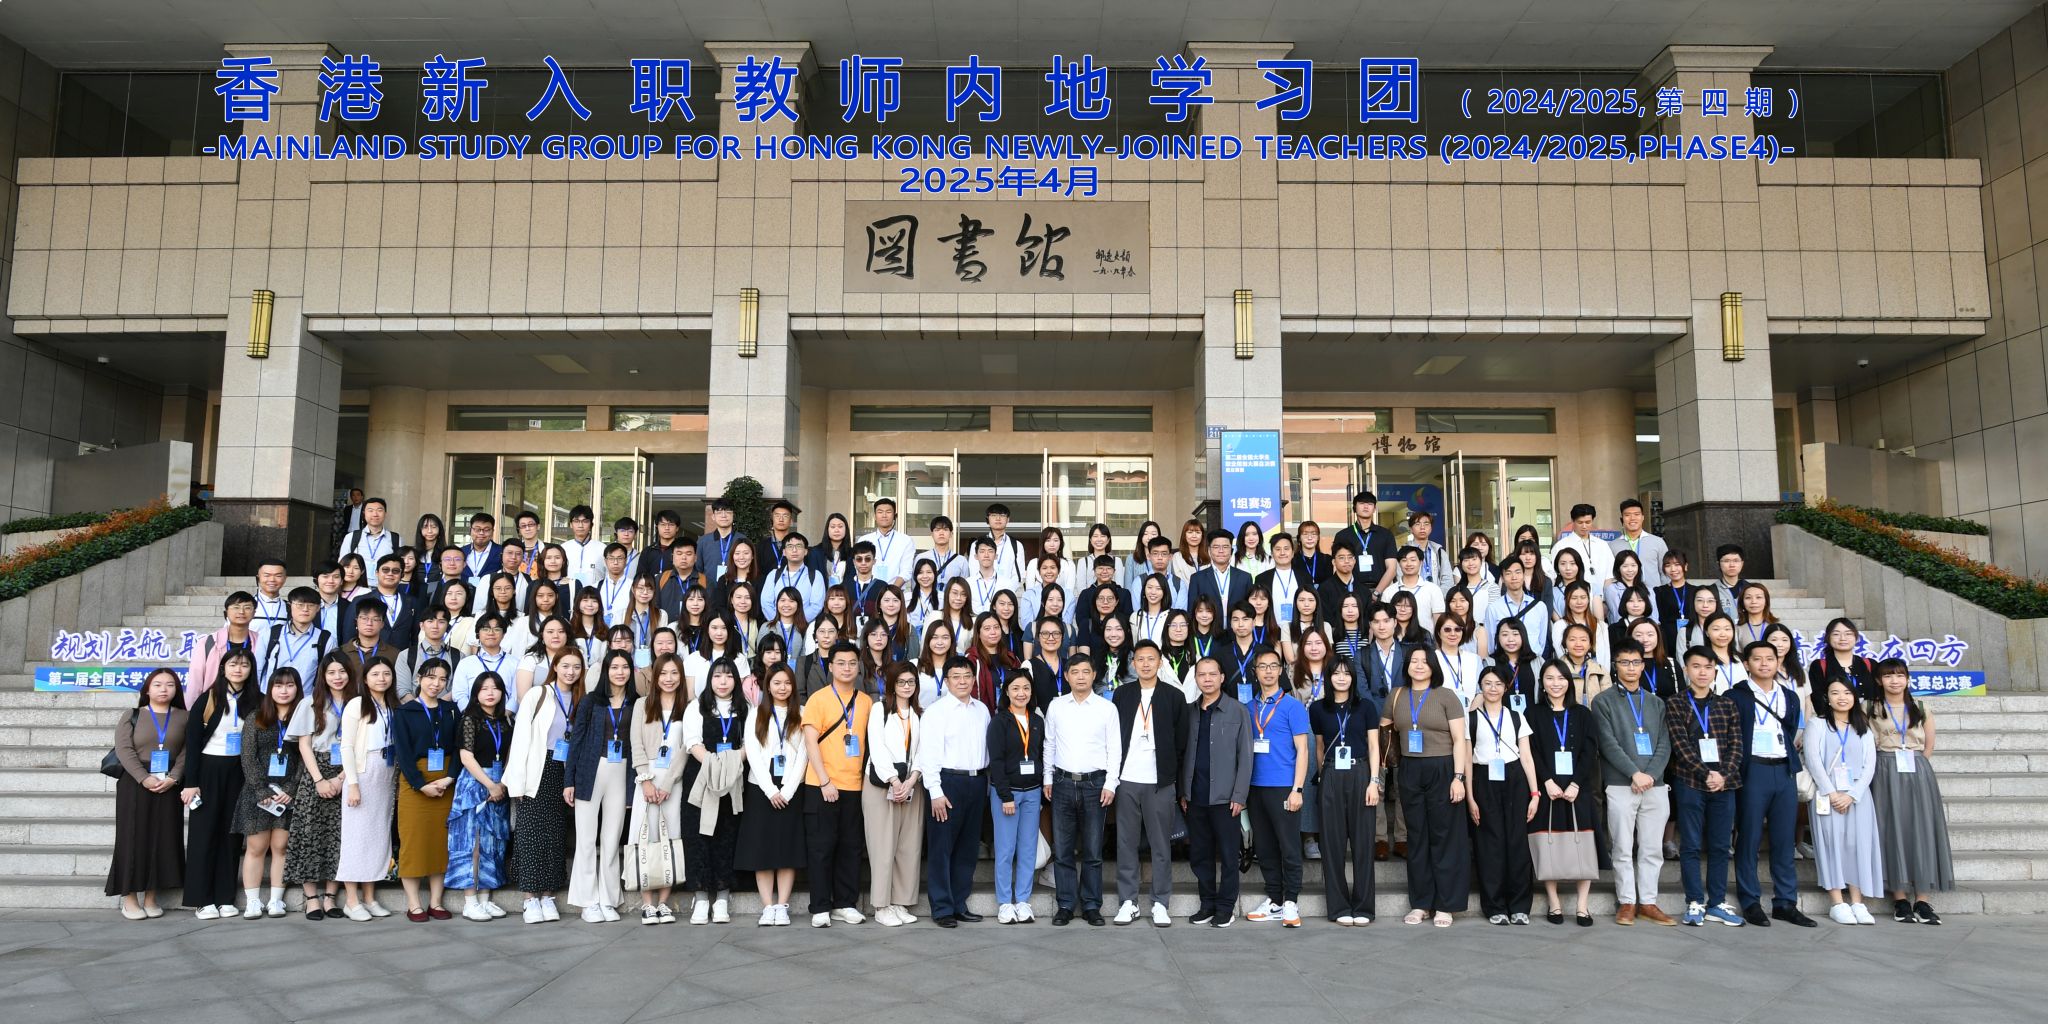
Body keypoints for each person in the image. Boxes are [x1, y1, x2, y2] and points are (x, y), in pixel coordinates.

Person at [1382, 645, 1471, 927]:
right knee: (1416, 837)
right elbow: (1385, 734)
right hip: (1410, 769)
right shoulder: (1397, 695)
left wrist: (1458, 777)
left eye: (1424, 661)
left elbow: (1459, 740)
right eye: (1413, 661)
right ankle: (1421, 903)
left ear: (1433, 665)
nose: (1419, 665)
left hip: (1443, 769)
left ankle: (1445, 904)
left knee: (1444, 837)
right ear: (1406, 666)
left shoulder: (1446, 696)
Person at [1730, 641, 1817, 927]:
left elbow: (1790, 729)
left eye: (1770, 658)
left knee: (1783, 839)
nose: (1765, 663)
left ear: (1779, 662)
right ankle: (1750, 901)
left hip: (1783, 770)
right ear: (1747, 664)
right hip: (1752, 770)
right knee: (1749, 837)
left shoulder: (1789, 696)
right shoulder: (1736, 696)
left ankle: (1785, 902)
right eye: (1757, 659)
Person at [1590, 639, 1674, 926]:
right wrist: (1633, 774)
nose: (1631, 668)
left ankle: (1648, 902)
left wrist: (1650, 775)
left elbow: (1665, 742)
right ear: (1615, 666)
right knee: (1622, 847)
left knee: (1652, 848)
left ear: (1643, 665)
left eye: (1636, 662)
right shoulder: (1603, 701)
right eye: (1624, 662)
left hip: (1655, 784)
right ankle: (1627, 901)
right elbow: (1607, 743)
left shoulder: (1656, 703)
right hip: (1620, 784)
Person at [1865, 658, 1953, 924]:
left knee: (1922, 829)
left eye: (1900, 675)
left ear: (1907, 679)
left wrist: (1918, 766)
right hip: (1883, 768)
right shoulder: (1870, 707)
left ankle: (1922, 901)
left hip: (1917, 769)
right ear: (1879, 680)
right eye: (1888, 676)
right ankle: (1900, 899)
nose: (1895, 681)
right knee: (1891, 829)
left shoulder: (1921, 707)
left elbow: (1929, 745)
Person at [1668, 647, 1747, 927]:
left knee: (1720, 845)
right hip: (1690, 782)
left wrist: (1723, 775)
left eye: (1708, 667)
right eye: (1696, 666)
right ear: (1686, 669)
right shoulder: (1676, 703)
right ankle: (1694, 901)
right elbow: (1680, 746)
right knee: (1690, 845)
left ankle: (1717, 903)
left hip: (1724, 785)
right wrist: (1706, 774)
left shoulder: (1727, 704)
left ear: (1715, 670)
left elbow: (1737, 744)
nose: (1702, 672)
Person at [504, 647, 584, 923]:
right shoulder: (538, 694)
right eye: (565, 666)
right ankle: (530, 898)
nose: (570, 672)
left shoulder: (580, 698)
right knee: (530, 834)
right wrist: (517, 782)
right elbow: (520, 739)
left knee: (555, 834)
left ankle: (548, 895)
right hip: (537, 768)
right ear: (555, 667)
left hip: (564, 769)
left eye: (576, 667)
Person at [1110, 641, 1187, 927]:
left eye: (1151, 659)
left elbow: (1181, 743)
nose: (1145, 664)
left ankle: (1160, 902)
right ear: (1133, 663)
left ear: (1160, 662)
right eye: (1140, 659)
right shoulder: (1122, 694)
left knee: (1161, 844)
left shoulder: (1174, 696)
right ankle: (1128, 902)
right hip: (1127, 779)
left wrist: (1175, 781)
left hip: (1160, 781)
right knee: (1126, 842)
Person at [800, 642, 875, 927]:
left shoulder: (866, 702)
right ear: (830, 667)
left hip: (854, 786)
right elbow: (810, 743)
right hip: (821, 785)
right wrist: (825, 781)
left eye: (852, 663)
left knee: (850, 847)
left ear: (859, 667)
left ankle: (845, 903)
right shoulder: (818, 699)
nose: (847, 668)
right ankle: (820, 906)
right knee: (821, 847)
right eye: (840, 663)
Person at [1042, 655, 1120, 926]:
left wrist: (1111, 783)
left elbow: (1115, 748)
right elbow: (1049, 744)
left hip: (1095, 785)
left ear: (1094, 674)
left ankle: (1091, 905)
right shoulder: (1056, 706)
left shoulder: (1106, 708)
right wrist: (1047, 778)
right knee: (1063, 849)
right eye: (1075, 672)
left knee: (1092, 850)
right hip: (1062, 783)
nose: (1081, 677)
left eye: (1086, 672)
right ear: (1067, 676)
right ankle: (1065, 904)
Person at [917, 655, 993, 928]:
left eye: (967, 676)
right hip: (948, 783)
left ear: (974, 679)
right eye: (956, 677)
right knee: (942, 847)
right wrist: (935, 792)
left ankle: (959, 903)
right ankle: (942, 908)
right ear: (947, 681)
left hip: (977, 782)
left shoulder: (982, 710)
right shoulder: (936, 712)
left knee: (967, 848)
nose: (962, 682)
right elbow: (928, 755)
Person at [107, 668, 188, 920]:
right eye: (157, 684)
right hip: (134, 783)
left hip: (169, 783)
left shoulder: (184, 717)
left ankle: (152, 897)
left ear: (177, 689)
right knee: (132, 837)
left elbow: (188, 751)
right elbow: (124, 749)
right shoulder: (132, 715)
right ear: (147, 689)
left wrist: (174, 777)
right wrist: (144, 778)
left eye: (170, 684)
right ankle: (129, 898)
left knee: (163, 839)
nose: (164, 689)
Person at [183, 648, 258, 919]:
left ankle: (226, 897)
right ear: (223, 668)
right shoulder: (208, 699)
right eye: (233, 664)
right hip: (208, 770)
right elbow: (192, 743)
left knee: (231, 835)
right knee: (203, 835)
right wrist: (191, 783)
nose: (238, 669)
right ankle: (202, 900)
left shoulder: (257, 700)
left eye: (244, 665)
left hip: (240, 771)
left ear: (251, 670)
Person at [1527, 659, 1604, 925]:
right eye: (1549, 678)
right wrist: (1546, 781)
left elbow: (1589, 751)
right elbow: (1531, 751)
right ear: (1542, 683)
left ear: (1569, 682)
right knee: (1548, 843)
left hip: (1577, 788)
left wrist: (1576, 784)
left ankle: (1582, 905)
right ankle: (1554, 902)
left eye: (1561, 678)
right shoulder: (1533, 713)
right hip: (1547, 788)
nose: (1556, 683)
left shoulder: (1582, 713)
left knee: (1583, 843)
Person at [1239, 647, 1310, 927]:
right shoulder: (1249, 708)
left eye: (1273, 666)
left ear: (1281, 671)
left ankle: (1291, 901)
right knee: (1265, 847)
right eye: (1262, 666)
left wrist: (1297, 789)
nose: (1268, 671)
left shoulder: (1292, 706)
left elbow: (1303, 750)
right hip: (1255, 788)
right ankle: (1275, 901)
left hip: (1284, 787)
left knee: (1289, 846)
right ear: (1254, 672)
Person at [566, 650, 637, 923]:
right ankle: (588, 901)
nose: (620, 672)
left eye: (624, 667)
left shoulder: (637, 703)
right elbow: (576, 741)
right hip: (590, 772)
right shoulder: (590, 701)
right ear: (606, 670)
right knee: (586, 840)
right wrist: (569, 781)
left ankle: (609, 899)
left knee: (611, 839)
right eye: (614, 667)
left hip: (621, 773)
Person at [1181, 657, 1253, 927]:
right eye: (1202, 675)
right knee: (1200, 855)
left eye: (1213, 674)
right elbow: (1183, 755)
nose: (1207, 679)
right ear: (1196, 679)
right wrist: (1183, 792)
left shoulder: (1237, 711)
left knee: (1228, 855)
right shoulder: (1189, 712)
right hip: (1195, 797)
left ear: (1222, 677)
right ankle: (1207, 904)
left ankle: (1225, 907)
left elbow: (1246, 757)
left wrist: (1239, 796)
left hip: (1226, 799)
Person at [1807, 677, 1884, 925]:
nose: (1842, 697)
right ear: (1827, 698)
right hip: (1827, 795)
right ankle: (1837, 902)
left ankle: (1857, 902)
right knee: (1831, 845)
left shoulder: (1863, 727)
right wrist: (1832, 793)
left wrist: (1851, 795)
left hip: (1857, 797)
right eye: (1835, 693)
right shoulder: (1817, 724)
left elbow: (1869, 765)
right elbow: (1813, 760)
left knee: (1856, 845)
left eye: (1847, 693)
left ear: (1855, 697)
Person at [1467, 665, 1539, 926]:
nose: (1493, 688)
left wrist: (1535, 793)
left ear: (1506, 687)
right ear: (1480, 686)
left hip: (1515, 779)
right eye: (1487, 683)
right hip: (1483, 779)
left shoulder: (1517, 717)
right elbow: (1466, 760)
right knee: (1490, 845)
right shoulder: (1471, 718)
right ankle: (1494, 906)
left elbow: (1527, 758)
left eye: (1498, 683)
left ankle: (1519, 906)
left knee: (1517, 843)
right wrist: (1470, 797)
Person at [1308, 660, 1380, 925]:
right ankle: (1338, 908)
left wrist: (1374, 781)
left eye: (1346, 673)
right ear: (1328, 677)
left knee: (1363, 843)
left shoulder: (1366, 707)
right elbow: (1319, 746)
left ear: (1353, 678)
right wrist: (1323, 775)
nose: (1341, 678)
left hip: (1360, 772)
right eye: (1336, 673)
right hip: (1330, 774)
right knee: (1332, 844)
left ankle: (1363, 908)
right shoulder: (1318, 708)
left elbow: (1373, 746)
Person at [736, 663, 808, 926]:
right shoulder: (756, 713)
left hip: (791, 789)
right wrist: (770, 790)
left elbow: (804, 754)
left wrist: (787, 789)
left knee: (787, 849)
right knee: (762, 849)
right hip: (761, 788)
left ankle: (782, 905)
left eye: (787, 683)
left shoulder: (802, 713)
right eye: (777, 683)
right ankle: (768, 906)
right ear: (768, 686)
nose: (782, 688)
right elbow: (753, 755)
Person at [392, 657, 460, 921]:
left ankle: (436, 902)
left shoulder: (451, 710)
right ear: (419, 678)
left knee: (440, 842)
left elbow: (459, 747)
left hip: (445, 782)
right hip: (415, 783)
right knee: (413, 840)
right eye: (431, 677)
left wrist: (449, 778)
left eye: (442, 679)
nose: (436, 684)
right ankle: (414, 904)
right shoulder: (405, 711)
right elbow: (403, 753)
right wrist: (421, 785)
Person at [680, 656, 748, 924]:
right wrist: (714, 764)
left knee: (727, 836)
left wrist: (729, 764)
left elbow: (750, 743)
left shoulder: (745, 708)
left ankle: (721, 898)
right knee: (699, 836)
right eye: (718, 676)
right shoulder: (696, 707)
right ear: (709, 679)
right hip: (701, 778)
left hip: (733, 780)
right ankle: (700, 898)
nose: (723, 681)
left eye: (729, 676)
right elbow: (692, 742)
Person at [232, 668, 301, 919]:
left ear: (297, 688)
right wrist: (261, 789)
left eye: (289, 685)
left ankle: (275, 900)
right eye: (278, 686)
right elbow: (248, 756)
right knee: (256, 847)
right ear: (270, 689)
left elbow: (306, 757)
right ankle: (252, 901)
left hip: (288, 793)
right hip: (258, 792)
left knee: (281, 847)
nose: (284, 691)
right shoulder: (257, 717)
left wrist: (291, 789)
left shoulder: (303, 718)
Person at [860, 662, 925, 926]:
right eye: (901, 682)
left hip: (911, 785)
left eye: (911, 682)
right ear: (891, 684)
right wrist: (895, 780)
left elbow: (922, 750)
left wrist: (912, 779)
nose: (907, 687)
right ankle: (881, 905)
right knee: (882, 847)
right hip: (882, 784)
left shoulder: (919, 713)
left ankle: (900, 901)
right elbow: (876, 746)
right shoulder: (880, 710)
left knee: (908, 846)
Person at [336, 657, 399, 921]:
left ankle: (370, 898)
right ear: (364, 678)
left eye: (386, 674)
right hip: (363, 772)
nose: (381, 679)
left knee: (378, 837)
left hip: (387, 772)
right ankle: (352, 901)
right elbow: (347, 747)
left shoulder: (393, 705)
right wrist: (352, 784)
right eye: (375, 674)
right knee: (357, 838)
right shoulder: (356, 704)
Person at [448, 671, 513, 922]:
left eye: (495, 688)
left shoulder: (506, 720)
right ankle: (470, 901)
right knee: (471, 843)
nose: (490, 693)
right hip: (475, 784)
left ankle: (485, 899)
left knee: (493, 844)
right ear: (476, 693)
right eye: (484, 688)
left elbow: (509, 754)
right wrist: (490, 785)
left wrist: (502, 783)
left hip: (499, 783)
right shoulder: (469, 719)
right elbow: (466, 757)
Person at [1482, 558, 1551, 661]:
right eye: (1508, 573)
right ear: (1502, 578)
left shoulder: (1539, 607)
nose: (1514, 577)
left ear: (1523, 575)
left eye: (1518, 572)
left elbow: (1542, 641)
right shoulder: (1493, 608)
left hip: (1532, 662)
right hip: (1505, 663)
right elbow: (1491, 644)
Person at [1335, 492, 1400, 590]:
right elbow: (1337, 566)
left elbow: (1392, 568)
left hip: (1381, 590)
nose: (1366, 507)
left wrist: (1377, 592)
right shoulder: (1343, 535)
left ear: (1374, 508)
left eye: (1370, 504)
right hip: (1352, 590)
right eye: (1362, 503)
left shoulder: (1386, 534)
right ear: (1354, 507)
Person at [1810, 617, 1880, 703]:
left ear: (1856, 637)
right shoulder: (1819, 666)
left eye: (1848, 634)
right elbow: (1817, 698)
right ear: (1828, 638)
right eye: (1836, 634)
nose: (1843, 638)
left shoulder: (1870, 664)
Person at [1188, 528, 1254, 617]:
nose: (1221, 550)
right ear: (1209, 550)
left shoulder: (1245, 578)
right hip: (1209, 625)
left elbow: (1250, 611)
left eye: (1225, 547)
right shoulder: (1197, 578)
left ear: (1232, 551)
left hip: (1237, 625)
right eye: (1216, 547)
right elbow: (1192, 611)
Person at [1609, 499, 1668, 588]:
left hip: (1653, 594)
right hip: (1624, 594)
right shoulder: (1613, 545)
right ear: (1622, 519)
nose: (1632, 518)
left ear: (1643, 517)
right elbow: (1610, 575)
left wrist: (1664, 593)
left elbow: (1665, 572)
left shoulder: (1658, 542)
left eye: (1636, 514)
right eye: (1627, 515)